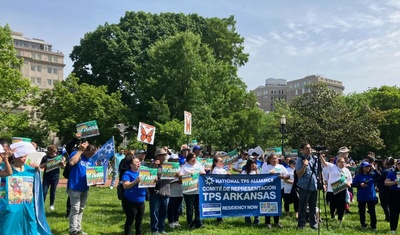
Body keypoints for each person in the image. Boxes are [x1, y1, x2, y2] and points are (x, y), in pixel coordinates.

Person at [0, 141, 52, 235]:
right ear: (14, 157)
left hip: (27, 206)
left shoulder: (30, 170)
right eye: (21, 157)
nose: (24, 159)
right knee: (8, 229)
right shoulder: (5, 168)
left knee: (29, 229)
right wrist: (6, 158)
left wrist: (37, 169)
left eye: (25, 156)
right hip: (10, 206)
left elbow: (36, 188)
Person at [67, 141, 97, 235]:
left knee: (81, 208)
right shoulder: (77, 154)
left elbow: (92, 174)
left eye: (92, 154)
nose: (90, 156)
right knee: (75, 208)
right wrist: (80, 151)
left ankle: (78, 228)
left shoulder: (91, 161)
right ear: (84, 151)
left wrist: (94, 181)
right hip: (74, 186)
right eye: (89, 153)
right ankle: (72, 229)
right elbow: (71, 162)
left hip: (84, 188)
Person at [320, 155, 352, 227]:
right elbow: (324, 163)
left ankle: (340, 218)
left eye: (344, 162)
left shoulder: (346, 170)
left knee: (341, 205)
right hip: (332, 190)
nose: (343, 163)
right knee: (333, 204)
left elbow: (349, 179)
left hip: (342, 189)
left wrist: (348, 184)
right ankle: (332, 214)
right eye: (341, 162)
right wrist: (321, 156)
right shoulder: (332, 167)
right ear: (337, 162)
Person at [261, 153, 289, 229]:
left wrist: (282, 176)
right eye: (273, 158)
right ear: (269, 160)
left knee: (277, 205)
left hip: (279, 188)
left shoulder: (281, 166)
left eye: (276, 158)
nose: (275, 160)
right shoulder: (265, 166)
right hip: (269, 189)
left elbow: (288, 175)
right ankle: (268, 222)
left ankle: (276, 222)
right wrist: (270, 174)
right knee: (268, 204)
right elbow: (262, 177)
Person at [179, 152, 206, 229]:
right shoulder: (184, 167)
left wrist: (201, 173)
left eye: (195, 157)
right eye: (192, 157)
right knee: (190, 208)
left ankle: (198, 221)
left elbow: (204, 173)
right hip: (188, 191)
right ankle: (190, 222)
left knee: (198, 207)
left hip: (198, 189)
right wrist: (188, 174)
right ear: (188, 159)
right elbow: (180, 177)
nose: (194, 159)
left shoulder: (199, 165)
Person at [295, 143, 319, 229]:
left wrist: (322, 183)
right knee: (303, 207)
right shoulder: (300, 159)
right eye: (306, 148)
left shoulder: (315, 159)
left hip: (314, 186)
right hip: (304, 186)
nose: (309, 150)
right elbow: (298, 174)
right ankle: (301, 224)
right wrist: (304, 165)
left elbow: (318, 171)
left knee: (313, 206)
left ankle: (313, 223)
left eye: (310, 148)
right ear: (302, 150)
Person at [148, 148, 172, 234]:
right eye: (162, 155)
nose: (164, 157)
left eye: (165, 155)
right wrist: (155, 167)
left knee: (164, 212)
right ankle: (154, 229)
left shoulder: (168, 166)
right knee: (154, 212)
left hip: (166, 191)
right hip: (156, 192)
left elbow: (172, 178)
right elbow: (149, 178)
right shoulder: (152, 165)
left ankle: (161, 228)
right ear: (157, 156)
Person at [121, 157, 146, 235]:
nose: (138, 163)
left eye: (139, 162)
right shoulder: (127, 173)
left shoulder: (143, 172)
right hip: (130, 200)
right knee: (130, 220)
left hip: (141, 200)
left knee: (139, 220)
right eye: (136, 162)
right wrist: (136, 181)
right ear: (131, 165)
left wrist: (153, 180)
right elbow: (125, 186)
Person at [352, 161, 378, 231]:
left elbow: (380, 176)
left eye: (368, 166)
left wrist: (374, 169)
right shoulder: (358, 176)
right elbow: (353, 184)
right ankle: (363, 224)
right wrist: (360, 185)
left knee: (372, 211)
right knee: (362, 211)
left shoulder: (372, 174)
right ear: (362, 168)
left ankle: (373, 225)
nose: (367, 168)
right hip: (362, 196)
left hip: (371, 196)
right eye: (366, 167)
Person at [40, 145, 65, 211]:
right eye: (49, 153)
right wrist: (44, 165)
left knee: (53, 191)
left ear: (55, 152)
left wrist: (62, 164)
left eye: (52, 153)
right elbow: (40, 166)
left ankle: (51, 204)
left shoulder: (59, 157)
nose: (51, 154)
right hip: (46, 177)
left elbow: (63, 167)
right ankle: (41, 204)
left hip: (55, 176)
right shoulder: (45, 157)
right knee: (44, 191)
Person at [211, 156, 231, 223]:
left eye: (222, 161)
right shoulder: (216, 170)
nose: (222, 162)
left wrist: (228, 170)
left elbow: (226, 174)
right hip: (218, 190)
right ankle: (219, 219)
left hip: (223, 189)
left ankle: (220, 218)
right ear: (215, 163)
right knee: (219, 204)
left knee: (222, 204)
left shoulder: (221, 169)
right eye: (220, 161)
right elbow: (219, 179)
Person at [167, 154, 183, 229]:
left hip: (180, 190)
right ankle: (171, 221)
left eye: (177, 159)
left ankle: (176, 220)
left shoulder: (180, 168)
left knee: (178, 207)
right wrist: (176, 180)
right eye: (174, 160)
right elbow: (167, 181)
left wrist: (180, 179)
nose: (176, 161)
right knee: (171, 207)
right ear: (170, 160)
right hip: (172, 191)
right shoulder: (167, 168)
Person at [242, 159, 259, 225]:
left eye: (255, 163)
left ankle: (256, 219)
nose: (254, 164)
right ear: (249, 164)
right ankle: (247, 219)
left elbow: (259, 179)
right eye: (253, 163)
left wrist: (256, 170)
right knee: (247, 205)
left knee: (255, 205)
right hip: (246, 192)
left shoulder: (255, 172)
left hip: (255, 191)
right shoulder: (244, 172)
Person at [385, 160, 400, 234]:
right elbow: (386, 182)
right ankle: (393, 229)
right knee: (394, 212)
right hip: (394, 193)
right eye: (399, 164)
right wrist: (394, 182)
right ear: (396, 165)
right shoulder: (392, 173)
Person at [377, 157, 393, 222]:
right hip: (391, 190)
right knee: (389, 204)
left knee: (384, 204)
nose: (383, 162)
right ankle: (389, 216)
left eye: (385, 161)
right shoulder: (393, 170)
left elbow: (379, 178)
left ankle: (388, 217)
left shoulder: (385, 171)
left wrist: (375, 170)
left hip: (384, 190)